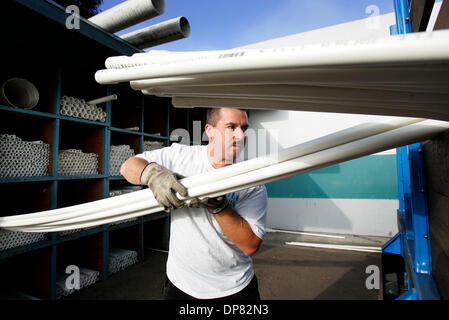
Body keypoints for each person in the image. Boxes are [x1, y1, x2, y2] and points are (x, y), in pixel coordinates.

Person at [120, 107, 268, 300]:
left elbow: (250, 245)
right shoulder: (181, 156)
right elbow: (127, 167)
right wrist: (152, 174)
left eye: (244, 128)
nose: (240, 135)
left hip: (233, 288)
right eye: (231, 127)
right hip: (181, 284)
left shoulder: (251, 180)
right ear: (210, 130)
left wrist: (219, 207)